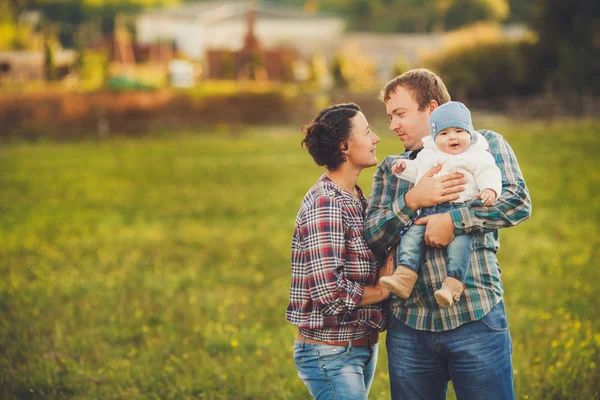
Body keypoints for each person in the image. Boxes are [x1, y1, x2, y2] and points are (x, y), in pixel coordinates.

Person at [364, 69, 531, 399]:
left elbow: (517, 201)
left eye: (400, 114)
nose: (393, 125)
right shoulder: (394, 168)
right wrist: (413, 200)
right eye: (389, 117)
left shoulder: (484, 145)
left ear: (431, 108)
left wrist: (455, 220)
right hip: (410, 327)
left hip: (475, 317)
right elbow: (373, 235)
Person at [286, 103, 393, 400]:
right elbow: (330, 295)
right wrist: (382, 291)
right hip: (331, 355)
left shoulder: (356, 197)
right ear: (344, 146)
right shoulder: (326, 203)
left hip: (359, 349)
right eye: (368, 132)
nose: (376, 139)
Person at [379, 101, 502, 308]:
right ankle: (404, 276)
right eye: (444, 134)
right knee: (410, 238)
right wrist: (403, 167)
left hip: (458, 209)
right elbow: (418, 168)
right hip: (425, 211)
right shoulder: (430, 154)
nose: (452, 137)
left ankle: (452, 285)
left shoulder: (476, 155)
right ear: (435, 138)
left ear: (469, 134)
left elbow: (488, 172)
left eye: (459, 131)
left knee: (460, 247)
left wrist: (490, 189)